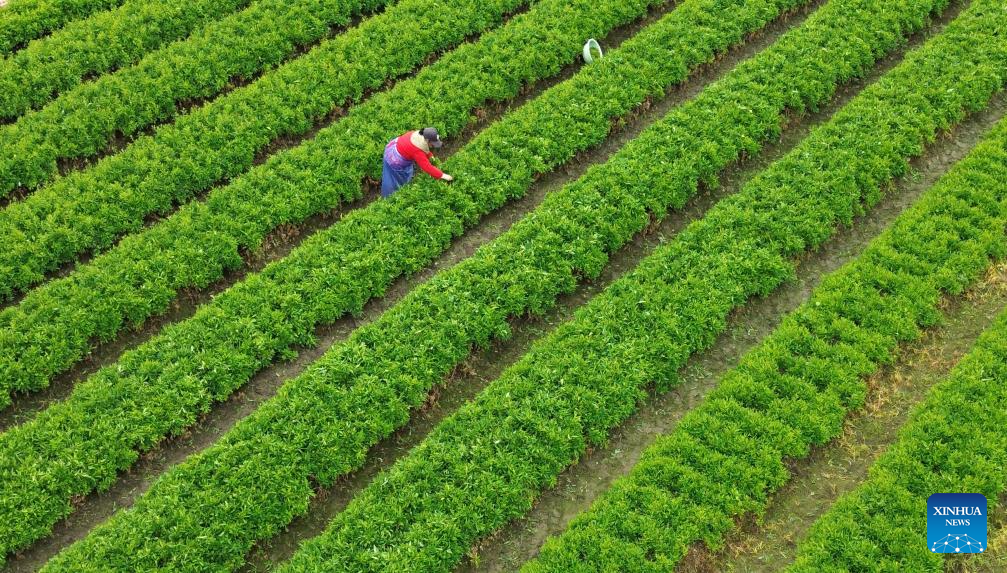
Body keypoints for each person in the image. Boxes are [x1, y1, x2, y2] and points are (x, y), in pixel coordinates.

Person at [381, 127, 454, 197]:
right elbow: (427, 167)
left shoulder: (420, 135)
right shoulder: (417, 152)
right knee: (394, 181)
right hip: (394, 159)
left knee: (407, 174)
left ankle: (404, 187)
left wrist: (430, 156)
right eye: (432, 144)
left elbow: (425, 149)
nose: (433, 146)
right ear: (427, 141)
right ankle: (389, 198)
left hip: (395, 146)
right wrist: (442, 175)